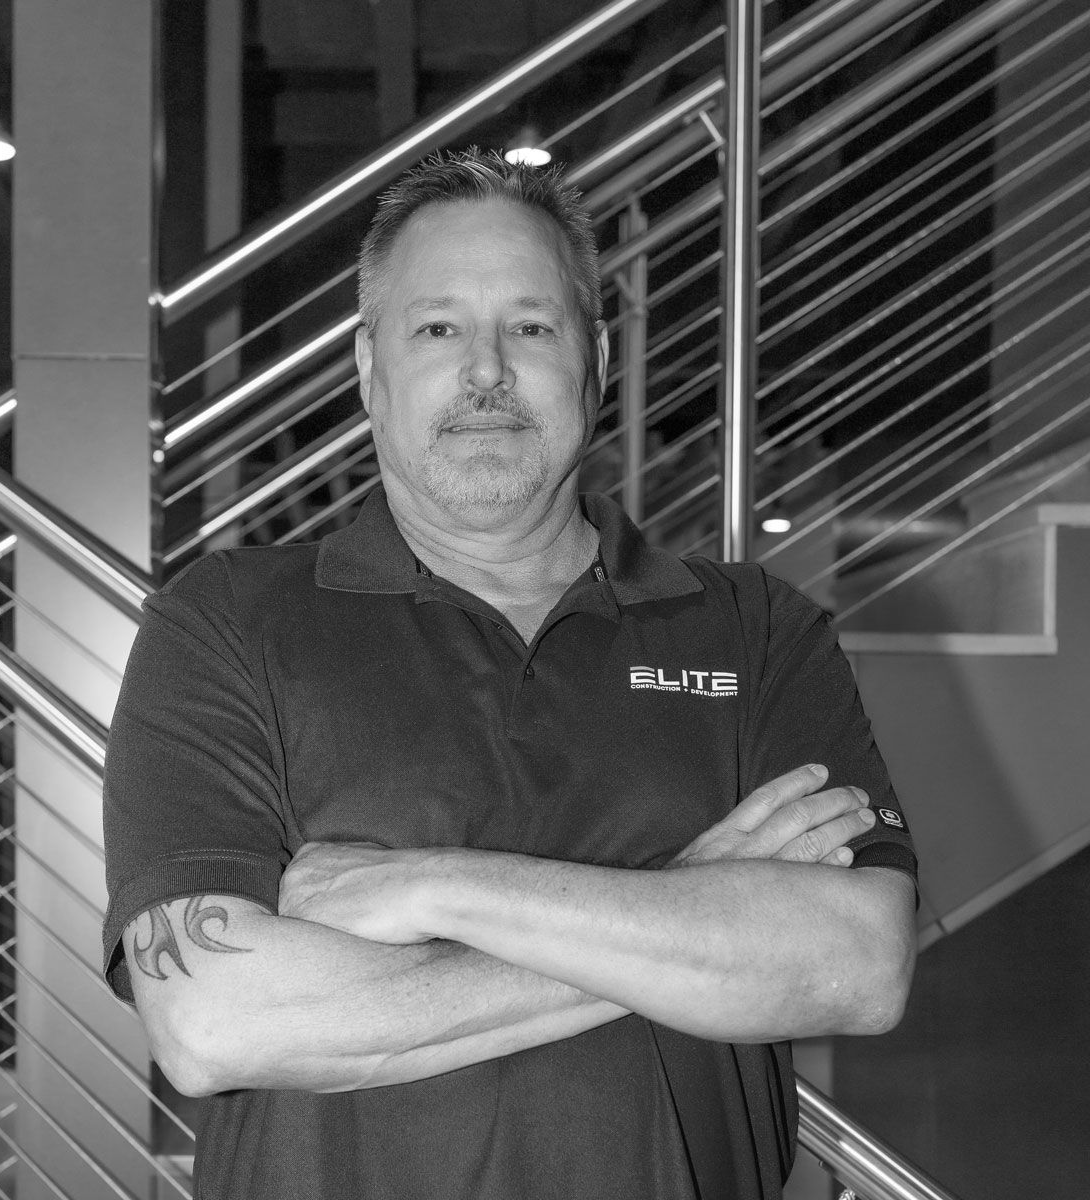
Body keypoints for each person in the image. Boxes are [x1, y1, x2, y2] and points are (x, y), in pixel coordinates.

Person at [102, 149, 917, 1200]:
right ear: (368, 367)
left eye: (531, 327)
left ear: (598, 359)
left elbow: (857, 966)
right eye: (438, 329)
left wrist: (430, 886)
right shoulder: (226, 620)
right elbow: (214, 1021)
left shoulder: (756, 629)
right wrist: (689, 906)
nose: (486, 371)